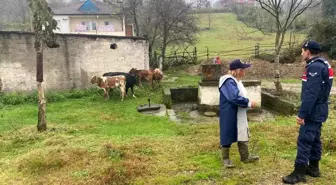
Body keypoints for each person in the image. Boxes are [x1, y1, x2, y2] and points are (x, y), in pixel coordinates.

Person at [282, 40, 334, 184]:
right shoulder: (324, 64)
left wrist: (302, 114)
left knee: (304, 140)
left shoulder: (314, 68)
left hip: (313, 110)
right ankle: (313, 168)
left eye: (302, 50)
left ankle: (298, 173)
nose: (301, 53)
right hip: (320, 109)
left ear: (308, 51)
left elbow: (311, 94)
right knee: (315, 139)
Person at [218, 59, 259, 168]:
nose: (244, 72)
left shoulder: (237, 80)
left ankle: (245, 156)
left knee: (242, 131)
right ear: (236, 70)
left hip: (239, 111)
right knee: (227, 132)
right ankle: (226, 159)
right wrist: (248, 103)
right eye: (242, 70)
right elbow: (233, 97)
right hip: (230, 112)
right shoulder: (228, 81)